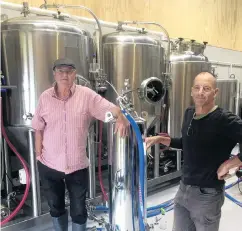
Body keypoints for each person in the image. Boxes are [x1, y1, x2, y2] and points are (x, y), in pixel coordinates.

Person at [32, 58, 129, 231]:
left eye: (69, 71)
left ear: (75, 74)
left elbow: (108, 107)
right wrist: (38, 156)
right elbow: (38, 128)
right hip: (49, 164)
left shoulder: (86, 95)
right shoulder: (45, 98)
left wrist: (120, 115)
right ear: (54, 74)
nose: (64, 75)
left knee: (78, 209)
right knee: (55, 206)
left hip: (77, 165)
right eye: (60, 71)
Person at [145, 71, 242, 231]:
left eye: (206, 88)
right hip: (183, 189)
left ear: (215, 92)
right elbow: (187, 142)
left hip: (207, 195)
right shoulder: (189, 113)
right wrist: (159, 139)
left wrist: (230, 164)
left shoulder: (224, 119)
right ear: (191, 91)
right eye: (197, 88)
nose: (200, 92)